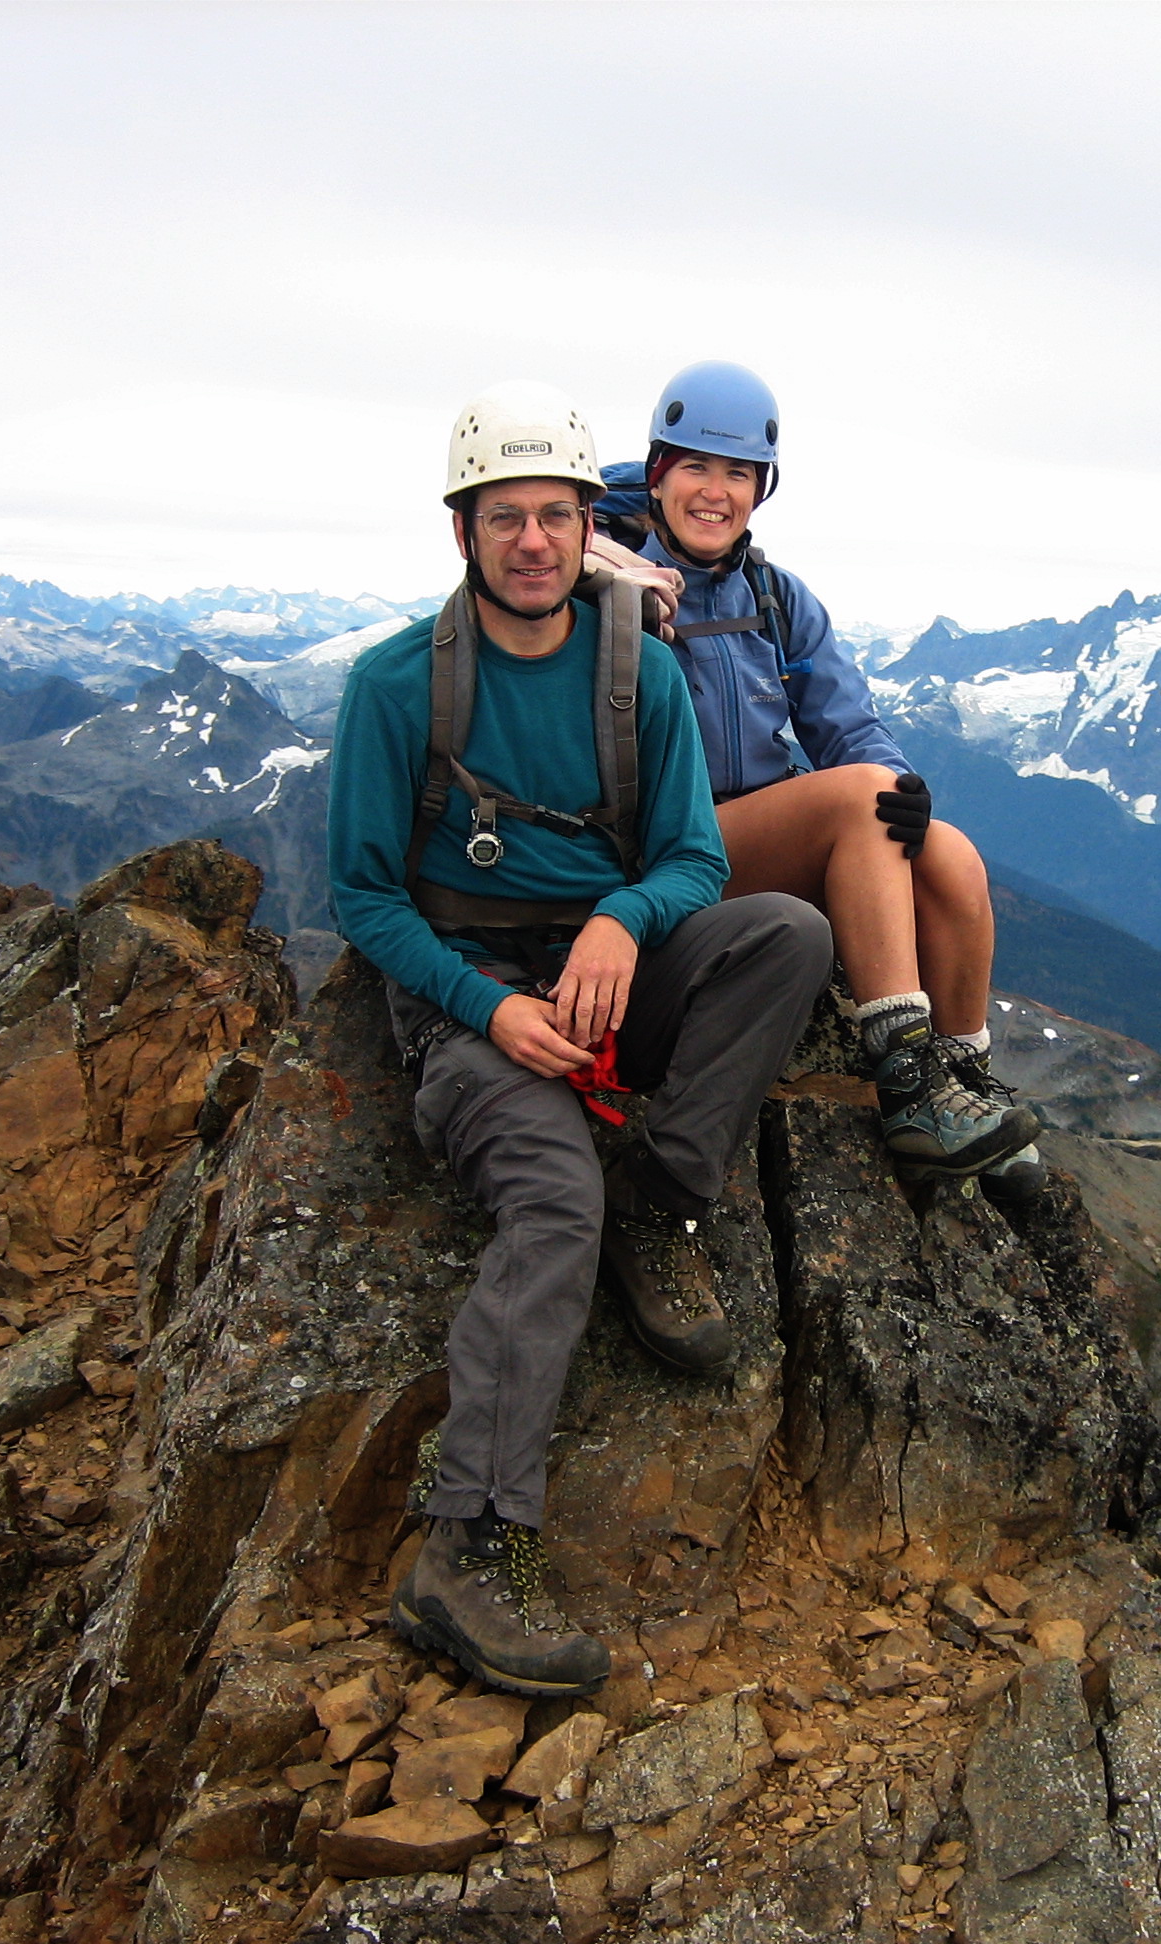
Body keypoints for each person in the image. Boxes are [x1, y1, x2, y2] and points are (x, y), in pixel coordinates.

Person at [327, 380, 833, 1696]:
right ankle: (471, 1548)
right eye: (506, 518)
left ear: (584, 520)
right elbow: (368, 898)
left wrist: (621, 921)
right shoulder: (396, 687)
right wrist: (488, 1009)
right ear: (463, 534)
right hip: (472, 989)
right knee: (551, 1200)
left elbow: (694, 859)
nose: (536, 541)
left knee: (784, 936)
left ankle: (663, 1196)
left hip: (608, 966)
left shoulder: (640, 675)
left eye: (556, 514)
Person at [592, 360, 1042, 1194]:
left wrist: (904, 788)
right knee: (856, 798)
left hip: (764, 833)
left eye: (737, 473)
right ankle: (908, 1094)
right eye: (695, 466)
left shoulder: (775, 595)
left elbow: (848, 725)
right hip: (670, 851)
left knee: (949, 854)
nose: (715, 492)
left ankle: (963, 1079)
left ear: (763, 487)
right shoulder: (617, 588)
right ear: (657, 474)